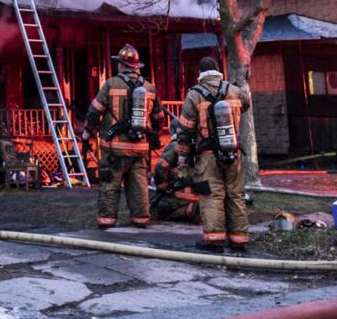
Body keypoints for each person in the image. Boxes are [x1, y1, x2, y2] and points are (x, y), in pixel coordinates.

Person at [83, 44, 166, 229]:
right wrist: (153, 135)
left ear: (121, 65)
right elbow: (159, 118)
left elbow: (94, 112)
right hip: (140, 148)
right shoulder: (150, 88)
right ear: (137, 67)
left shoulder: (111, 84)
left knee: (110, 184)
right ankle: (141, 219)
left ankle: (107, 221)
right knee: (139, 186)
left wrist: (88, 132)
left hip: (114, 148)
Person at [175, 56, 251, 252]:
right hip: (234, 152)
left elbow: (184, 130)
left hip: (207, 156)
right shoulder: (234, 91)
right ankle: (239, 239)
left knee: (211, 194)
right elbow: (247, 104)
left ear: (200, 74)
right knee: (235, 194)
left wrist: (183, 158)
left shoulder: (194, 94)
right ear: (218, 71)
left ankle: (214, 240)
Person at [151, 129, 201, 223]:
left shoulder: (201, 151)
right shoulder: (176, 149)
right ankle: (189, 212)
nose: (182, 148)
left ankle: (189, 211)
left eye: (185, 145)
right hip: (176, 198)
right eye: (181, 144)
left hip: (191, 199)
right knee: (162, 208)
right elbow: (160, 168)